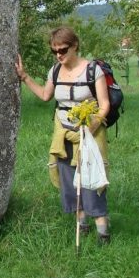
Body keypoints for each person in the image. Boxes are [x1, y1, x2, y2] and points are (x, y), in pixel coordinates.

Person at [15, 26, 112, 244]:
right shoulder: (55, 71)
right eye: (54, 51)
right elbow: (45, 95)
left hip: (89, 133)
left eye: (63, 50)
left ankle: (103, 232)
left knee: (91, 179)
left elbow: (104, 105)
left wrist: (91, 128)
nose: (59, 55)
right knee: (69, 180)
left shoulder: (92, 70)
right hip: (63, 134)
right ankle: (82, 225)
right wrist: (25, 77)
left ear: (75, 46)